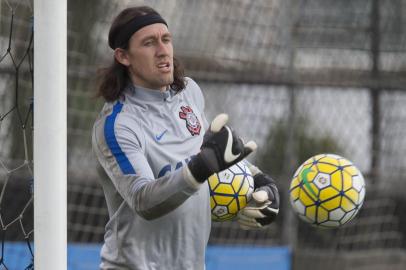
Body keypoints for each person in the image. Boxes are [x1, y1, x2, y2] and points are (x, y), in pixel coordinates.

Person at [92, 6, 280, 270]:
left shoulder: (189, 92)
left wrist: (260, 181)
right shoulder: (117, 126)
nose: (163, 50)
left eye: (166, 39)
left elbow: (209, 154)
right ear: (123, 56)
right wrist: (200, 168)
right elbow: (143, 199)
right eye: (149, 43)